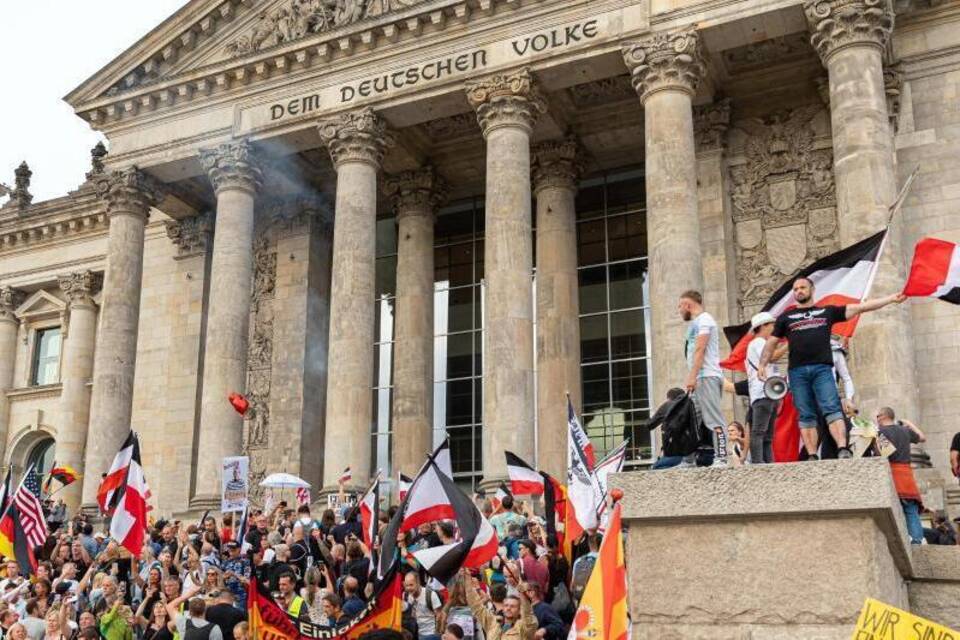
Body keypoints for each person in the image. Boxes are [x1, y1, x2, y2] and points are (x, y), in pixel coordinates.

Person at [758, 277, 906, 460]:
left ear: (812, 289)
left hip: (822, 369)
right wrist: (762, 364)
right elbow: (771, 343)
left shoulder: (826, 312)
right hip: (797, 372)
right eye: (795, 289)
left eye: (802, 287)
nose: (798, 291)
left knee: (832, 409)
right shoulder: (785, 318)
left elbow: (860, 307)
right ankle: (812, 454)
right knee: (805, 414)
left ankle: (842, 448)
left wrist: (890, 298)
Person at [678, 290, 727, 467]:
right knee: (691, 418)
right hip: (699, 378)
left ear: (688, 305)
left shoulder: (705, 320)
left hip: (706, 376)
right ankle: (688, 460)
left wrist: (692, 376)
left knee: (713, 418)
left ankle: (722, 457)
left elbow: (700, 349)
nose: (679, 310)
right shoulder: (695, 324)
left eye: (680, 306)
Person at [876, 407, 926, 544]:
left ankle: (895, 541)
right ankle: (917, 541)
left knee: (892, 510)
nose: (877, 419)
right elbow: (922, 437)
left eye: (877, 416)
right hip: (906, 475)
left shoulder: (878, 432)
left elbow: (884, 454)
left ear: (883, 416)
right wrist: (908, 423)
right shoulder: (905, 430)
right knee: (911, 510)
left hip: (891, 475)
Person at [745, 312, 786, 464]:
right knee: (760, 432)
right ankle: (758, 463)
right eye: (771, 325)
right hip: (763, 393)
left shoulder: (758, 343)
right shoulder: (759, 343)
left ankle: (768, 464)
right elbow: (772, 356)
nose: (774, 328)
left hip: (767, 394)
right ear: (763, 326)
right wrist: (788, 344)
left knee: (767, 435)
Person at [464, 570, 536, 640]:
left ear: (519, 610)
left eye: (512, 606)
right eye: (506, 605)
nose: (508, 608)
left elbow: (528, 616)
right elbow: (476, 606)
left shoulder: (523, 628)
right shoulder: (492, 622)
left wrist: (523, 596)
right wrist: (468, 581)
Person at [402, 572, 442, 640]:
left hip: (429, 634)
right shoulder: (405, 595)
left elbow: (439, 616)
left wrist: (436, 633)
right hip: (413, 634)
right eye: (406, 585)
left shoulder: (431, 594)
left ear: (418, 583)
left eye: (411, 585)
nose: (408, 588)